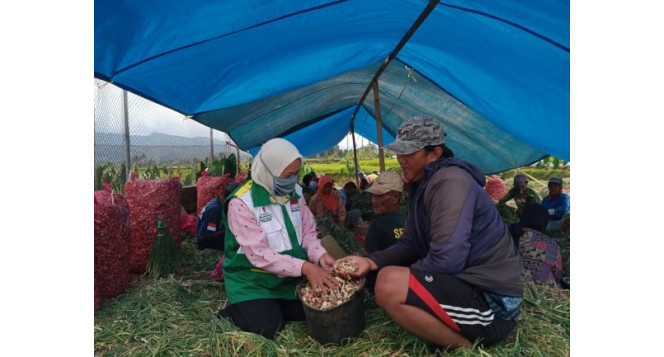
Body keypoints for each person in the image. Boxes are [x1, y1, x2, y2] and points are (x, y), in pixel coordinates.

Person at [338, 116, 523, 351]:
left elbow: (447, 260)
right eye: (399, 152)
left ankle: (466, 348)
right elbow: (411, 242)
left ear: (434, 153)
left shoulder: (450, 182)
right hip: (467, 284)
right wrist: (370, 261)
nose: (401, 160)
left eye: (409, 153)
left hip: (494, 302)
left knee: (388, 284)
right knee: (389, 276)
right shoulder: (423, 183)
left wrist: (402, 280)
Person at [217, 138, 338, 339]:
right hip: (254, 281)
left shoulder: (296, 194)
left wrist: (320, 256)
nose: (292, 181)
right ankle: (234, 309)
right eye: (288, 175)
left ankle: (274, 307)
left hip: (288, 279)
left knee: (319, 308)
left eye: (296, 174)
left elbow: (308, 233)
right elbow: (260, 255)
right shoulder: (242, 203)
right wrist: (307, 268)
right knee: (266, 328)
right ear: (268, 171)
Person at [363, 171, 407, 294]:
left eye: (379, 195)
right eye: (373, 195)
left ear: (395, 197)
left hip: (383, 289)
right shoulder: (409, 220)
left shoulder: (377, 225)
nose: (374, 201)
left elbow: (369, 260)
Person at [509, 204, 564, 288]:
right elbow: (558, 274)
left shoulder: (508, 234)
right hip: (541, 294)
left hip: (506, 286)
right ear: (544, 222)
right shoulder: (551, 245)